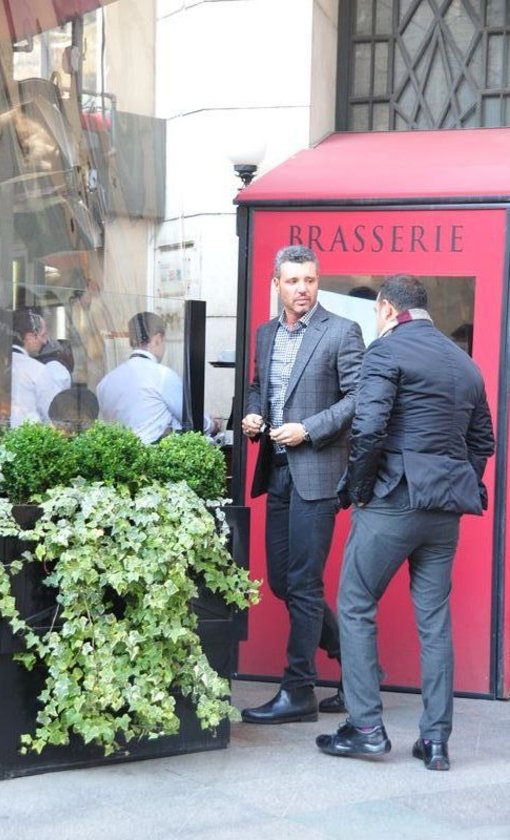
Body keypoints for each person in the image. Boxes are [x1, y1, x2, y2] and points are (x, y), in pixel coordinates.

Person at [316, 275, 495, 769]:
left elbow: (369, 428)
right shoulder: (465, 363)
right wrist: (456, 483)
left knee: (355, 604)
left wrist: (359, 490)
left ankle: (366, 728)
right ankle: (435, 741)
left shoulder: (386, 350)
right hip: (445, 510)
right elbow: (482, 442)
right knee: (434, 619)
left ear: (385, 308)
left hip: (395, 499)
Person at [240, 244, 365, 724]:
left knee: (305, 584)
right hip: (276, 470)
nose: (302, 289)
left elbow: (359, 399)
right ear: (276, 284)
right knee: (282, 581)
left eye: (310, 280)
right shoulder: (265, 332)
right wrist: (254, 414)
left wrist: (308, 429)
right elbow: (260, 387)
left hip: (317, 474)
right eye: (293, 281)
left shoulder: (342, 331)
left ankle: (298, 691)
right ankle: (356, 667)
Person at [97, 311, 217, 444]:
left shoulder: (105, 382)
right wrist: (212, 425)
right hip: (152, 454)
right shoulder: (163, 376)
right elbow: (191, 419)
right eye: (164, 341)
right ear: (158, 339)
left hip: (116, 453)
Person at [10, 308, 63, 427]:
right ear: (29, 337)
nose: (44, 342)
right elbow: (52, 414)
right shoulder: (37, 370)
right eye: (42, 335)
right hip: (29, 435)